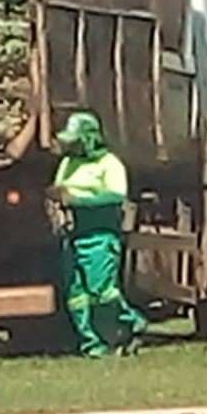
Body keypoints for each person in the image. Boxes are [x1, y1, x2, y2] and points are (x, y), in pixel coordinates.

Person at [48, 111, 148, 358]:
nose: (72, 146)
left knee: (102, 290)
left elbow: (115, 196)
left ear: (89, 138)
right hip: (72, 236)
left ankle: (132, 322)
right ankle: (92, 346)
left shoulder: (109, 164)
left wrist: (78, 201)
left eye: (77, 140)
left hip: (100, 237)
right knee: (77, 295)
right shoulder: (67, 163)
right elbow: (60, 191)